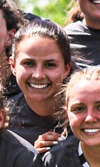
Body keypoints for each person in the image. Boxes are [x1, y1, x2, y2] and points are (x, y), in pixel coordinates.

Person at [6, 18, 73, 147]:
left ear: (66, 69)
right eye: (29, 63)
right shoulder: (1, 120)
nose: (38, 75)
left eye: (50, 65)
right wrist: (31, 157)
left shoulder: (86, 113)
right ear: (13, 66)